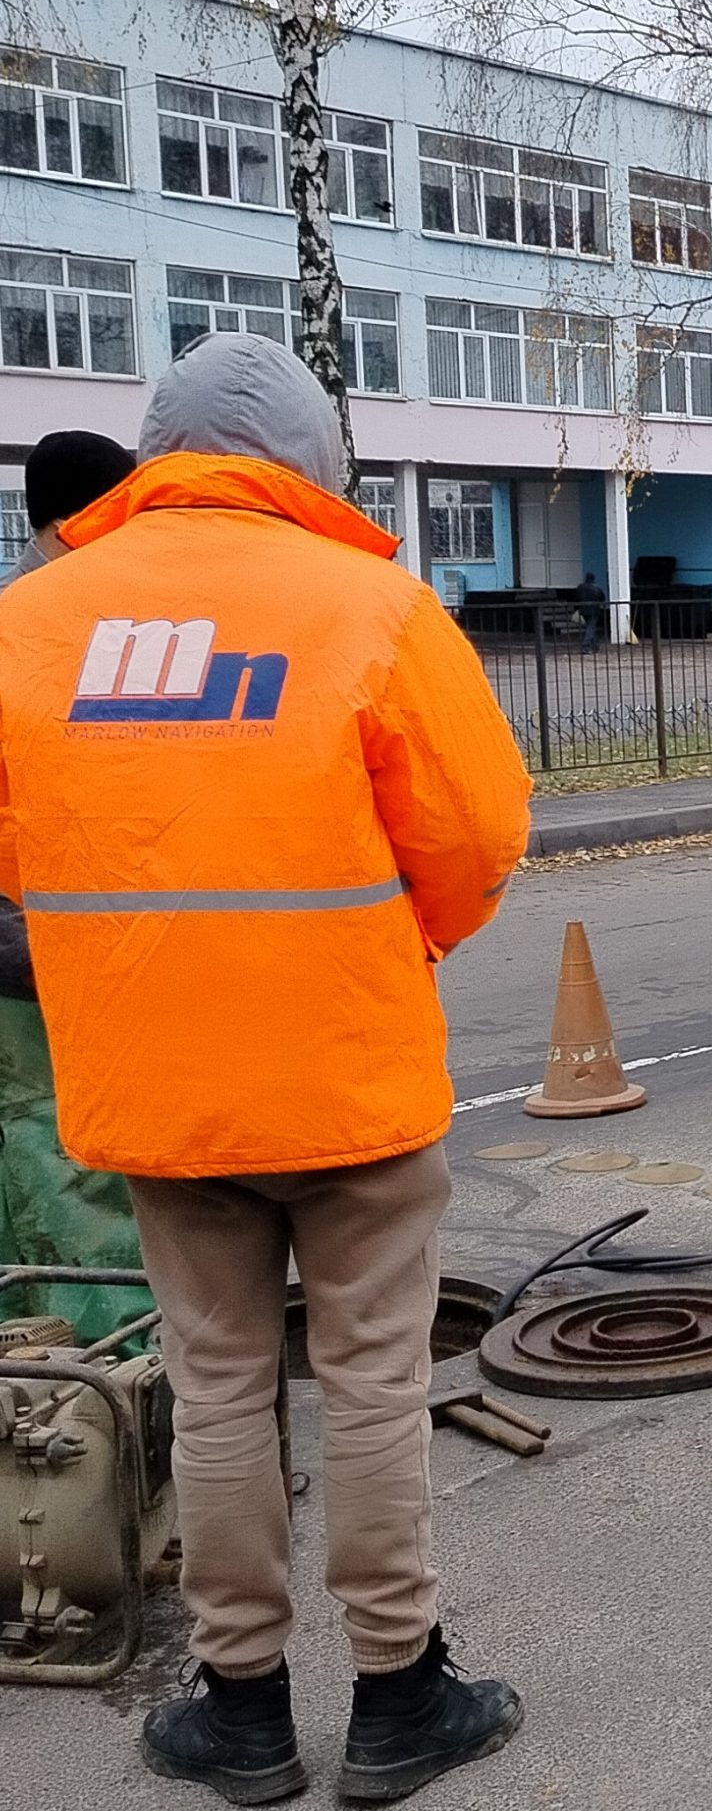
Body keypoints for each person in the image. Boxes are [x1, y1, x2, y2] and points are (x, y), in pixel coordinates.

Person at [0, 334, 533, 1804]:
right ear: (311, 462)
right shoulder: (373, 604)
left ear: (161, 452)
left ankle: (239, 1708)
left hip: (160, 1092)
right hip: (346, 1074)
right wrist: (395, 940)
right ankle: (398, 1693)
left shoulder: (34, 621)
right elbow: (478, 838)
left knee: (217, 1383)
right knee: (367, 1379)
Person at [0, 428, 141, 1345]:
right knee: (64, 1158)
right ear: (76, 521)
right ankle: (110, 1366)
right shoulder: (43, 628)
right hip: (29, 941)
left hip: (42, 929)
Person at [1, 427, 135, 591]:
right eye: (117, 512)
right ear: (67, 520)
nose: (132, 525)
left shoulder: (116, 588)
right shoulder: (10, 605)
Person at [575, 568, 606, 650]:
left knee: (589, 627)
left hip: (583, 610)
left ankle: (595, 645)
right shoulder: (596, 588)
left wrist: (577, 608)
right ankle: (586, 645)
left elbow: (575, 597)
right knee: (591, 627)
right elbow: (602, 598)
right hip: (594, 610)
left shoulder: (580, 587)